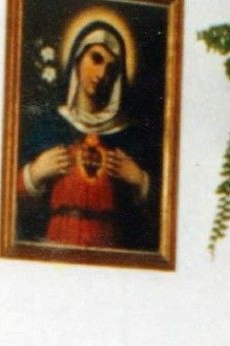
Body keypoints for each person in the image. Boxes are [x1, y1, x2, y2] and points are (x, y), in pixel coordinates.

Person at [16, 15, 158, 249]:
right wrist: (34, 173)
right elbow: (5, 201)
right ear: (78, 58)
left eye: (111, 68)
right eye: (96, 59)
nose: (101, 74)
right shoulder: (47, 126)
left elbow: (163, 214)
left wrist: (140, 181)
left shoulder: (131, 136)